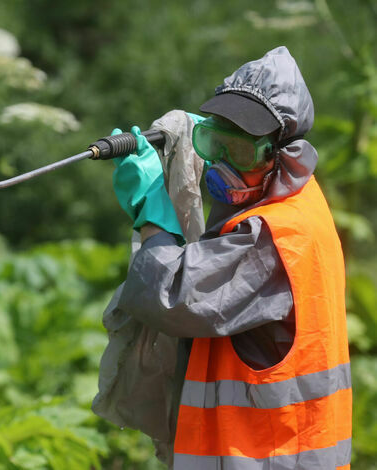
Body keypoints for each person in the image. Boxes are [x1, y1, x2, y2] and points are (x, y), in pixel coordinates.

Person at [99, 46, 351, 469]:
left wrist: (154, 213)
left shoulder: (276, 237)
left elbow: (170, 295)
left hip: (270, 456)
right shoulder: (299, 197)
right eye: (215, 142)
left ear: (283, 155)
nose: (221, 163)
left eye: (241, 151)